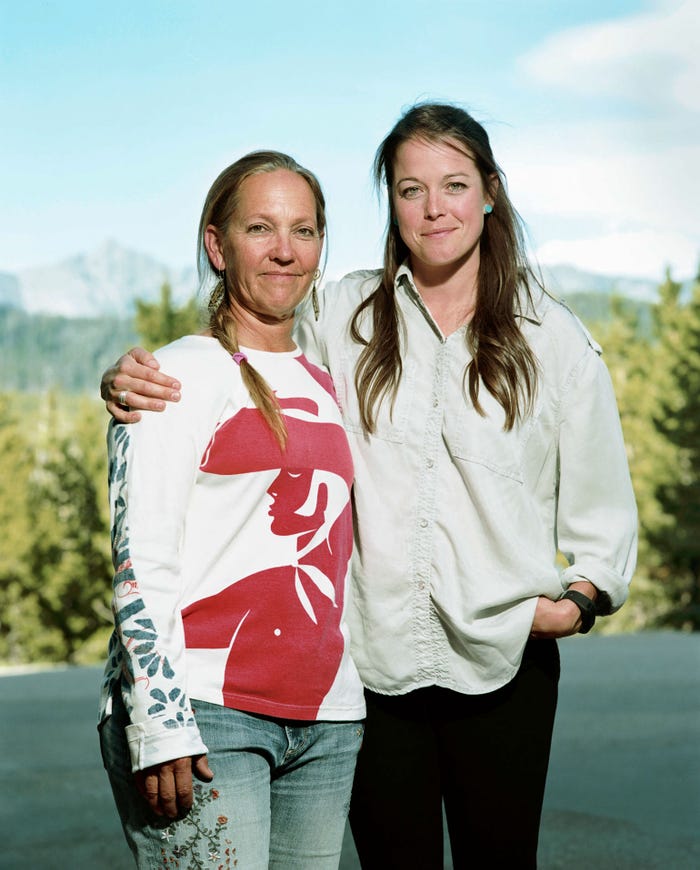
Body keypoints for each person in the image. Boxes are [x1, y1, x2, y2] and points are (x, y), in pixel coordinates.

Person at [102, 103, 638, 869]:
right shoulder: (342, 311)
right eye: (409, 188)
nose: (433, 207)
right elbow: (251, 345)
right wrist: (128, 380)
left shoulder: (554, 341)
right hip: (371, 674)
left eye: (454, 184)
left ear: (490, 192)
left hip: (504, 664)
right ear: (389, 200)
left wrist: (579, 601)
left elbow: (603, 502)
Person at [98, 150, 365, 870]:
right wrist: (160, 726)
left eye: (304, 231)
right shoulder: (175, 374)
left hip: (328, 719)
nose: (285, 250)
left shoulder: (326, 377)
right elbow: (139, 556)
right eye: (261, 228)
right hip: (207, 713)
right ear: (218, 246)